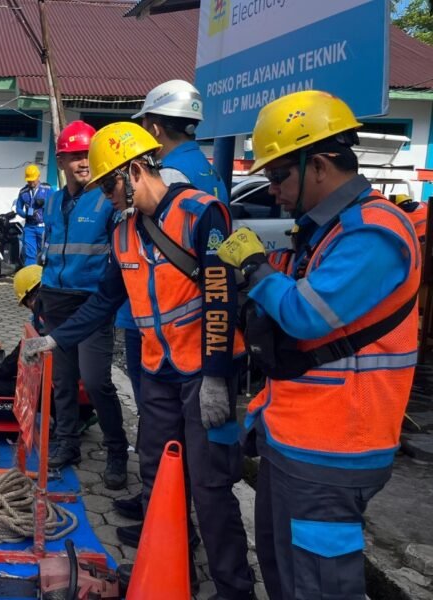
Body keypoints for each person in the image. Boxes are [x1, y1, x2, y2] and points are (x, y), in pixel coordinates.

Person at [24, 122, 254, 599]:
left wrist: (216, 377)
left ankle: (235, 589)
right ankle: (175, 574)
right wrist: (55, 340)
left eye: (109, 186)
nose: (106, 197)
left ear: (133, 172)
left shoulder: (201, 214)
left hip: (203, 372)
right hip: (157, 372)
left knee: (209, 485)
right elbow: (104, 300)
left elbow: (220, 297)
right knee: (158, 476)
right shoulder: (124, 231)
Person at [216, 90, 420, 600]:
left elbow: (304, 315)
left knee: (319, 586)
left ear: (322, 165)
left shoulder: (373, 233)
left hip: (336, 446)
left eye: (279, 175)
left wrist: (255, 267)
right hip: (295, 434)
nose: (273, 190)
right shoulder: (322, 231)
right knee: (283, 572)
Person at [113, 78, 231, 530]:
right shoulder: (207, 170)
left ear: (156, 128)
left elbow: (212, 284)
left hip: (170, 336)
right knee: (171, 446)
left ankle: (170, 523)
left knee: (170, 444)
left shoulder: (170, 176)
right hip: (184, 336)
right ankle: (160, 513)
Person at [36, 120, 128, 483]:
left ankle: (117, 452)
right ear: (60, 161)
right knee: (63, 380)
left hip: (91, 303)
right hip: (55, 299)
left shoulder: (107, 200)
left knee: (95, 381)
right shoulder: (52, 201)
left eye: (87, 154)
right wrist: (41, 294)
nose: (83, 162)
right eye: (74, 156)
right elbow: (49, 251)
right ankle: (67, 443)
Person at [0, 265, 45, 396]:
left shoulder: (46, 320)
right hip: (58, 375)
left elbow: (20, 354)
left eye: (28, 301)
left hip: (57, 383)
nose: (30, 306)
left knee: (1, 387)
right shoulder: (49, 314)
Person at [14, 165, 51, 267]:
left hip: (43, 227)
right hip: (29, 227)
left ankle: (43, 274)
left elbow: (56, 205)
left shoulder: (47, 189)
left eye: (33, 180)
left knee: (44, 254)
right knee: (29, 254)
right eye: (29, 180)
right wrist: (26, 215)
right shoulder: (23, 192)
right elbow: (18, 208)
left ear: (38, 176)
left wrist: (45, 204)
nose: (31, 182)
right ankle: (30, 274)